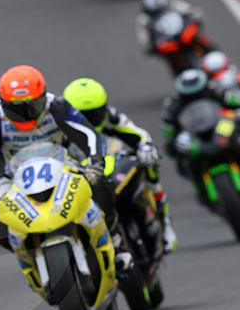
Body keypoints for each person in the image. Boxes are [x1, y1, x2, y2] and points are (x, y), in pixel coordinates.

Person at [0, 64, 133, 273]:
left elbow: (89, 134)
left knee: (102, 184)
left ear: (43, 97)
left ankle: (117, 242)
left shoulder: (56, 105)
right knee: (0, 227)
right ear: (3, 104)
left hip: (63, 164)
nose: (25, 115)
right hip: (13, 176)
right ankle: (34, 265)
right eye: (16, 109)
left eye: (31, 107)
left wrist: (95, 161)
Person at [62, 78, 178, 254]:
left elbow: (139, 134)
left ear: (104, 108)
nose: (90, 121)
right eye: (83, 116)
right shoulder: (61, 128)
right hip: (83, 176)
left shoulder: (113, 117)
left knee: (149, 162)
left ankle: (165, 221)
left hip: (115, 169)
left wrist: (145, 147)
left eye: (95, 113)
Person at [135, 0, 213, 75]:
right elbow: (143, 38)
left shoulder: (172, 3)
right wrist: (148, 46)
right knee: (171, 60)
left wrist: (195, 15)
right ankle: (181, 75)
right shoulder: (143, 19)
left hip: (183, 33)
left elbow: (189, 10)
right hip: (167, 42)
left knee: (199, 39)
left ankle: (212, 53)